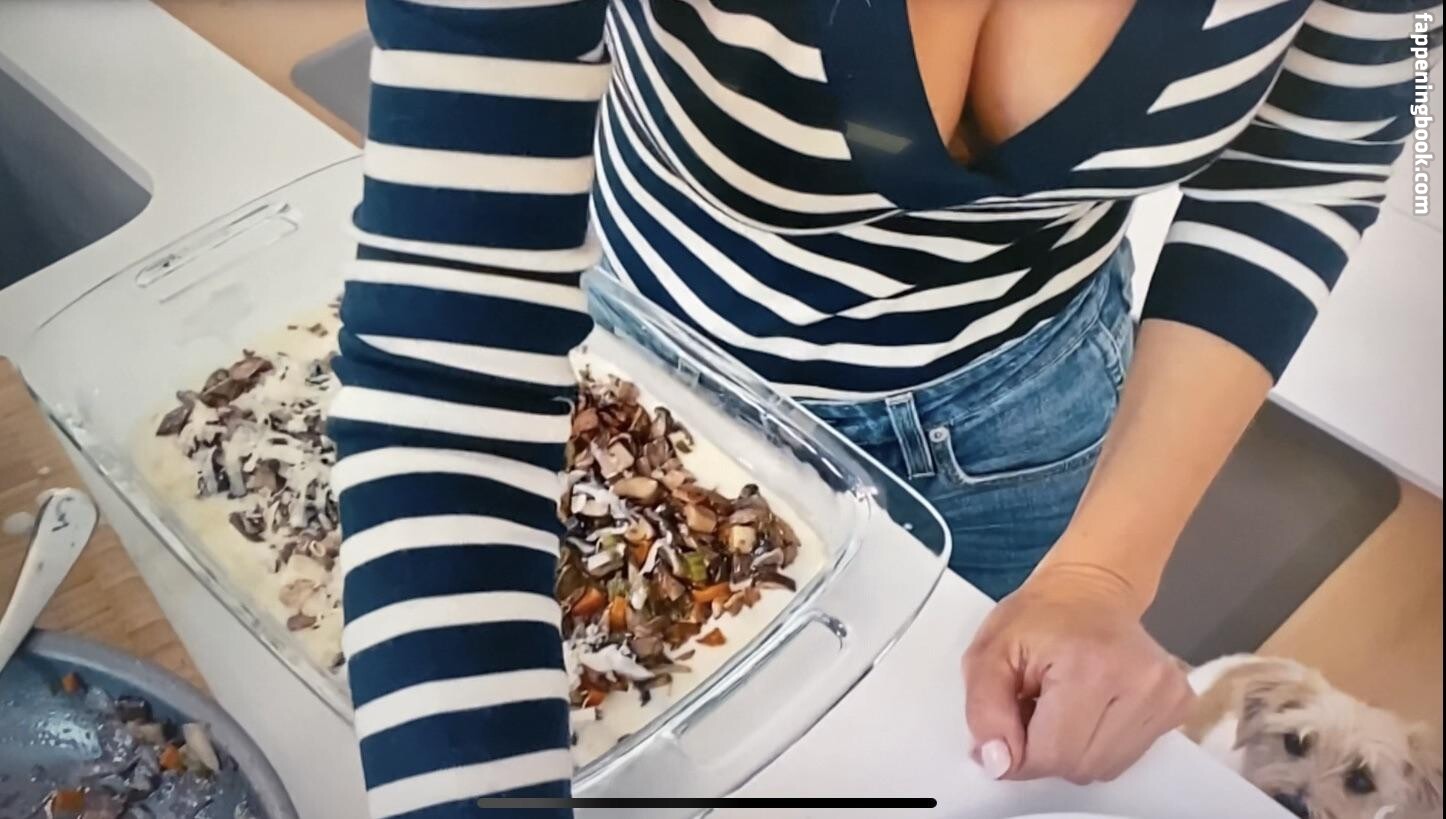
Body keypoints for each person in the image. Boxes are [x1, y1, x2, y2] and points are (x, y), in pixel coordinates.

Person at [329, 0, 1441, 815]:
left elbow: (1309, 158)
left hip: (1029, 415)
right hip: (663, 388)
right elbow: (444, 377)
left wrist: (1103, 574)